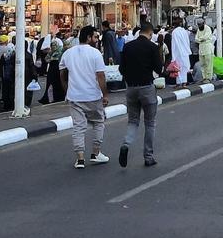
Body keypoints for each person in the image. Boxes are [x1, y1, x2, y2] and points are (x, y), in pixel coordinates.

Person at [61, 25, 110, 169]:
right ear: (88, 37)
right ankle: (95, 153)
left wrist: (67, 90)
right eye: (95, 37)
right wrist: (105, 94)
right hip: (92, 95)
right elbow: (100, 76)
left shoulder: (68, 53)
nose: (96, 39)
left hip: (74, 96)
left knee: (78, 126)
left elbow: (62, 73)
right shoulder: (95, 54)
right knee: (98, 122)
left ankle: (80, 158)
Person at [118, 19, 164, 168]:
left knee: (133, 121)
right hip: (147, 88)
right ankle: (148, 156)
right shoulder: (152, 47)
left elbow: (121, 69)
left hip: (131, 88)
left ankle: (126, 144)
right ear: (150, 33)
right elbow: (159, 69)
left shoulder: (128, 46)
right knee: (150, 123)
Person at [170, 19, 193, 86]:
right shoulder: (184, 31)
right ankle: (184, 83)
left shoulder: (174, 32)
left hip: (177, 53)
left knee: (178, 68)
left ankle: (178, 83)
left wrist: (173, 55)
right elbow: (187, 42)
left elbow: (173, 44)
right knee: (184, 68)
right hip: (185, 52)